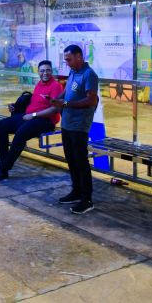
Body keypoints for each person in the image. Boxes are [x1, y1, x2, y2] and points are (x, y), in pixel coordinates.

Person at [0, 60, 64, 182]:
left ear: (51, 71)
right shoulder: (39, 84)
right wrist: (15, 107)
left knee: (21, 133)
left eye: (48, 70)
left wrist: (33, 115)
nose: (45, 73)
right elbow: (34, 102)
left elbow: (55, 109)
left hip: (45, 121)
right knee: (1, 125)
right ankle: (2, 162)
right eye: (42, 70)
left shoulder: (56, 86)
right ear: (38, 72)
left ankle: (4, 169)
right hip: (29, 116)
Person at [50, 44, 100, 214]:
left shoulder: (89, 75)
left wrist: (66, 104)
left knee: (81, 161)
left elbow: (91, 101)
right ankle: (76, 190)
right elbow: (66, 91)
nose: (67, 62)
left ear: (79, 56)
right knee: (71, 159)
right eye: (65, 60)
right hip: (67, 123)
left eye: (69, 59)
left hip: (79, 125)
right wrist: (56, 99)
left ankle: (87, 199)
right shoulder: (73, 72)